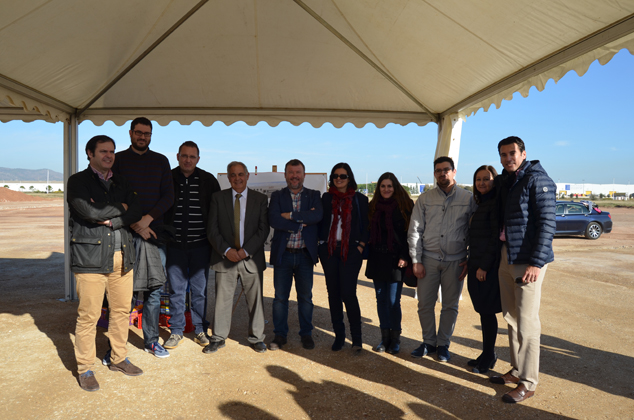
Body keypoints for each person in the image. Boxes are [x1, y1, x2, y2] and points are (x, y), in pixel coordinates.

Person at [67, 135, 143, 391]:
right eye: (103, 151)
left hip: (122, 256)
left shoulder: (122, 181)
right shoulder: (78, 181)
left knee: (121, 312)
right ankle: (85, 368)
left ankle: (118, 359)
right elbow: (89, 212)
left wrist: (112, 219)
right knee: (89, 316)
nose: (109, 155)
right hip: (90, 258)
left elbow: (136, 210)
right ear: (90, 153)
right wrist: (121, 207)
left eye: (111, 151)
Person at [490, 136, 556, 404]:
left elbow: (547, 224)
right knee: (511, 317)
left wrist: (536, 262)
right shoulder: (508, 181)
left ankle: (528, 383)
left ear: (523, 153)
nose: (508, 158)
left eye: (512, 153)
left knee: (527, 322)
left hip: (527, 260)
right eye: (503, 155)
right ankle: (517, 369)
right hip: (508, 254)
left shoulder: (537, 180)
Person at [111, 117, 174, 359]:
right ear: (130, 133)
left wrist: (148, 219)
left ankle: (151, 341)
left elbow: (168, 196)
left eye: (147, 133)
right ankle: (116, 346)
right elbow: (114, 197)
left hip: (155, 235)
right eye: (138, 132)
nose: (142, 137)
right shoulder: (118, 161)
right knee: (122, 292)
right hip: (124, 235)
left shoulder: (161, 161)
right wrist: (136, 223)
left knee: (154, 290)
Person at [407, 156, 476, 362]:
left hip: (456, 261)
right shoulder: (425, 199)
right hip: (428, 259)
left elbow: (476, 232)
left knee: (450, 306)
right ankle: (429, 342)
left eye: (446, 170)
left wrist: (470, 258)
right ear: (434, 173)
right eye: (438, 170)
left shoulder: (468, 199)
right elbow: (415, 230)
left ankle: (443, 344)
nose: (442, 173)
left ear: (454, 172)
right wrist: (416, 260)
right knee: (424, 304)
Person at [203, 161, 269, 354]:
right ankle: (218, 338)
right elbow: (212, 229)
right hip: (225, 258)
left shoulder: (260, 199)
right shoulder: (218, 198)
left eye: (241, 174)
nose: (237, 178)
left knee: (256, 301)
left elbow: (263, 229)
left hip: (251, 259)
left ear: (247, 176)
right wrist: (227, 250)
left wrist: (245, 251)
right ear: (228, 177)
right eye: (233, 175)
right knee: (222, 301)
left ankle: (257, 338)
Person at [163, 141, 220, 350]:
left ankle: (200, 329)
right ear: (178, 156)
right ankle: (176, 331)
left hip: (200, 246)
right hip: (175, 246)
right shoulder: (167, 178)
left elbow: (216, 212)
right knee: (176, 292)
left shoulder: (208, 180)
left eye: (192, 156)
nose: (188, 160)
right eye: (184, 156)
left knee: (199, 291)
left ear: (198, 159)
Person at [268, 159, 323, 351]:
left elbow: (317, 216)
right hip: (283, 255)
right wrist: (300, 223)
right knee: (280, 298)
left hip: (305, 255)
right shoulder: (277, 196)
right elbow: (274, 219)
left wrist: (290, 216)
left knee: (305, 298)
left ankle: (306, 334)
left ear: (304, 175)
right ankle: (280, 335)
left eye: (298, 172)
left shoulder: (314, 195)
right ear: (285, 175)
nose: (294, 176)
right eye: (291, 172)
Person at [318, 163, 369, 353]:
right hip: (329, 251)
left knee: (348, 294)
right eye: (335, 176)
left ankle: (356, 339)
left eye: (343, 176)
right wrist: (320, 244)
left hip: (351, 252)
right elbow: (319, 222)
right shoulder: (326, 198)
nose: (338, 179)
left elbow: (367, 225)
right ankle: (339, 336)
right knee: (333, 294)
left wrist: (361, 246)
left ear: (350, 178)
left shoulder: (360, 199)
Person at [365, 172, 414, 355]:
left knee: (393, 301)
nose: (386, 189)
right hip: (377, 258)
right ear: (379, 188)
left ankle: (395, 338)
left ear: (395, 187)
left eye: (389, 186)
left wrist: (405, 256)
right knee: (381, 299)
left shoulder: (405, 206)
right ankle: (384, 338)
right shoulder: (372, 206)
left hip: (396, 259)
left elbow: (409, 234)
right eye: (383, 186)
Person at [467, 165, 502, 374]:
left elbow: (494, 239)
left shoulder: (495, 204)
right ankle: (486, 353)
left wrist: (484, 266)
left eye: (486, 179)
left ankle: (489, 355)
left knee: (487, 312)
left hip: (485, 268)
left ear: (494, 181)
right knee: (482, 311)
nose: (481, 183)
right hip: (475, 264)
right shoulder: (481, 203)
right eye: (478, 179)